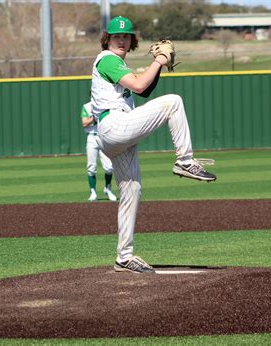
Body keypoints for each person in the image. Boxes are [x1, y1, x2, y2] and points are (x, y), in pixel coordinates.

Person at [91, 16, 216, 273]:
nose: (122, 40)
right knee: (173, 101)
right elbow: (139, 84)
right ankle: (184, 161)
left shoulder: (117, 63)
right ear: (108, 38)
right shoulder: (107, 59)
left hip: (115, 135)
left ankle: (124, 257)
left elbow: (144, 90)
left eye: (126, 37)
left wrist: (157, 66)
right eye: (117, 36)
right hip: (114, 126)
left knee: (131, 190)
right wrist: (159, 60)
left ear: (132, 40)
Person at [81, 101, 117, 202]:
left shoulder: (106, 105)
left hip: (104, 137)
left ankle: (108, 189)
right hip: (92, 137)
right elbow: (84, 123)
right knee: (91, 167)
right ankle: (93, 192)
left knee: (109, 167)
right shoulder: (87, 106)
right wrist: (96, 117)